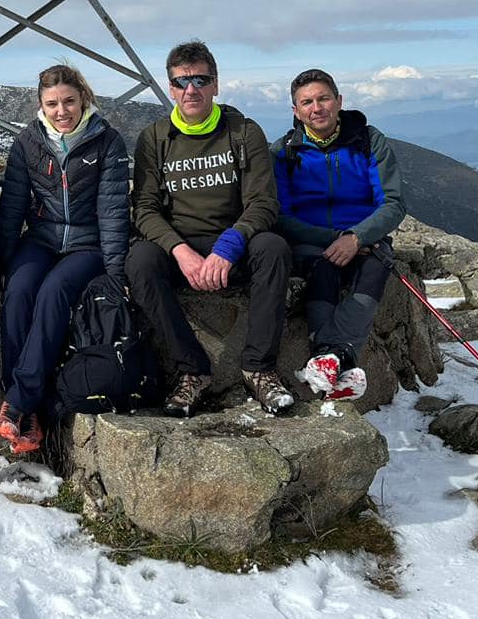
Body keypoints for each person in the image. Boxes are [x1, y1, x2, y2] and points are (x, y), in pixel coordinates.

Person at [127, 40, 293, 418]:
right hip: (181, 248)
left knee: (274, 248)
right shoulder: (154, 139)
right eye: (182, 81)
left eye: (201, 80)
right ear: (170, 88)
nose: (192, 90)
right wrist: (179, 250)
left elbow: (263, 202)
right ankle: (193, 371)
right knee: (139, 261)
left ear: (216, 85)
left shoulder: (243, 132)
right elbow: (145, 209)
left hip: (233, 242)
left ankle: (258, 367)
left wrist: (228, 246)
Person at [0, 65, 129, 454]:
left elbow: (114, 211)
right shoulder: (28, 142)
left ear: (83, 98)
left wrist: (116, 271)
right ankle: (19, 401)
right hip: (42, 237)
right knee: (19, 289)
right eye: (52, 103)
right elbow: (13, 206)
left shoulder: (106, 141)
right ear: (41, 105)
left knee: (53, 291)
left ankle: (19, 402)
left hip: (88, 244)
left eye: (69, 101)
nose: (61, 111)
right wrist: (4, 261)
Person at [273, 68, 407, 401]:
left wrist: (358, 237)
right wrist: (335, 239)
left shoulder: (368, 140)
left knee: (376, 266)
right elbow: (279, 215)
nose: (316, 108)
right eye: (306, 102)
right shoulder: (284, 152)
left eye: (323, 98)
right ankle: (342, 358)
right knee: (324, 265)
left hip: (365, 240)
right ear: (296, 111)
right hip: (312, 244)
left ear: (339, 101)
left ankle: (325, 360)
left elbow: (392, 203)